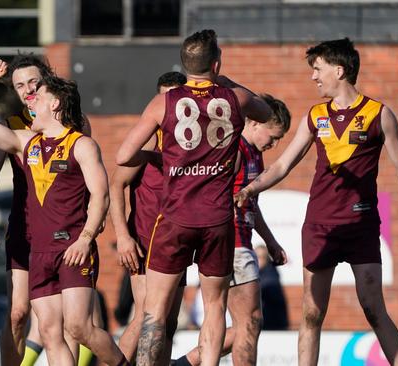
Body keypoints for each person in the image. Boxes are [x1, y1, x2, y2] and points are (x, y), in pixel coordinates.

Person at [235, 38, 398, 366]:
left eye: (318, 69)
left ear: (339, 71)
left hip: (362, 225)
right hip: (320, 226)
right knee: (311, 313)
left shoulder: (379, 114)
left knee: (373, 308)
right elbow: (283, 164)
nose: (313, 77)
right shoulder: (315, 116)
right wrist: (250, 188)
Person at [115, 29, 273, 365]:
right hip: (217, 218)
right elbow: (265, 112)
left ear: (185, 65)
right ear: (216, 63)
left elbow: (123, 155)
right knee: (214, 305)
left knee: (155, 309)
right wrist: (226, 81)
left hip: (174, 217)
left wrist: (165, 158)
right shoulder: (235, 99)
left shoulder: (164, 102)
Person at [0, 60, 128, 366]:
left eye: (36, 88)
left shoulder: (79, 139)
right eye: (20, 87)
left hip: (70, 243)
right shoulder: (23, 138)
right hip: (34, 246)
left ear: (53, 100)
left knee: (79, 327)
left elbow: (100, 193)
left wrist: (86, 235)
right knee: (46, 329)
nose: (29, 95)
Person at [174, 94, 291, 366]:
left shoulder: (255, 155)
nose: (273, 144)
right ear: (253, 123)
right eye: (272, 137)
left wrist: (271, 241)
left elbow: (249, 202)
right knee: (249, 322)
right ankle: (188, 362)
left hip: (242, 241)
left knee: (244, 323)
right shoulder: (235, 150)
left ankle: (184, 363)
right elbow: (212, 196)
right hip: (232, 242)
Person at [109, 71, 187, 363]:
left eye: (176, 97)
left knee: (169, 323)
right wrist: (123, 237)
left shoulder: (191, 144)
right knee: (146, 315)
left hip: (178, 241)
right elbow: (116, 184)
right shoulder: (147, 143)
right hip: (145, 239)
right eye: (164, 98)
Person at [255, 245, 289, 331]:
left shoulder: (270, 275)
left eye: (260, 257)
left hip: (273, 324)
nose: (257, 260)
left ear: (266, 258)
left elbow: (261, 289)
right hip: (268, 322)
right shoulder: (260, 274)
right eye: (255, 256)